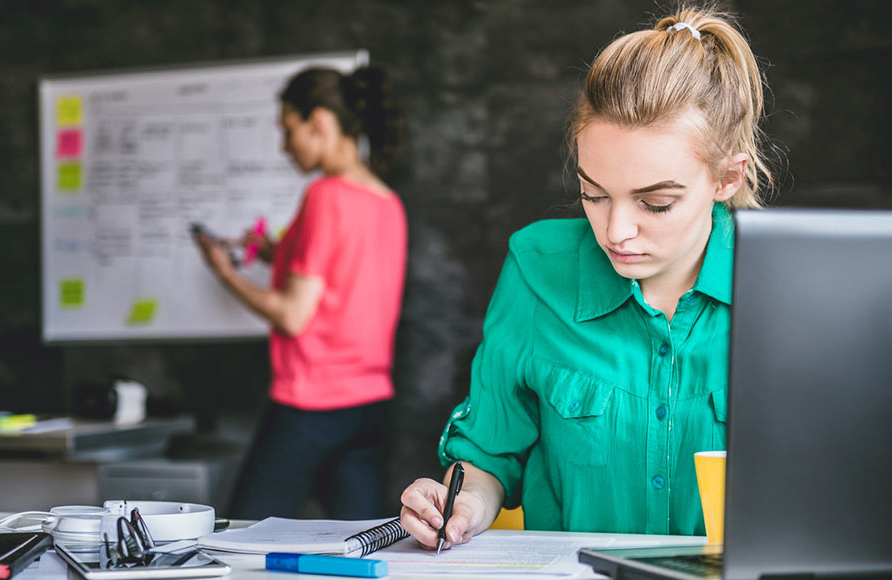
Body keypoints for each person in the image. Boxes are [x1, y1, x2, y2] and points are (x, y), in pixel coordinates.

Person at [400, 5, 775, 548]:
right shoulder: (536, 267)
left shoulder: (784, 288)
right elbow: (488, 454)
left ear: (726, 178)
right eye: (594, 194)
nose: (616, 231)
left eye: (656, 202)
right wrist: (461, 504)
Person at [194, 64, 406, 519]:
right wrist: (276, 253)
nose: (284, 146)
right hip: (369, 405)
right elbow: (344, 279)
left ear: (321, 122)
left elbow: (293, 314)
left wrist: (224, 273)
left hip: (312, 404)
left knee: (241, 537)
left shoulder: (325, 196)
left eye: (289, 130)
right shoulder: (388, 203)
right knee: (361, 542)